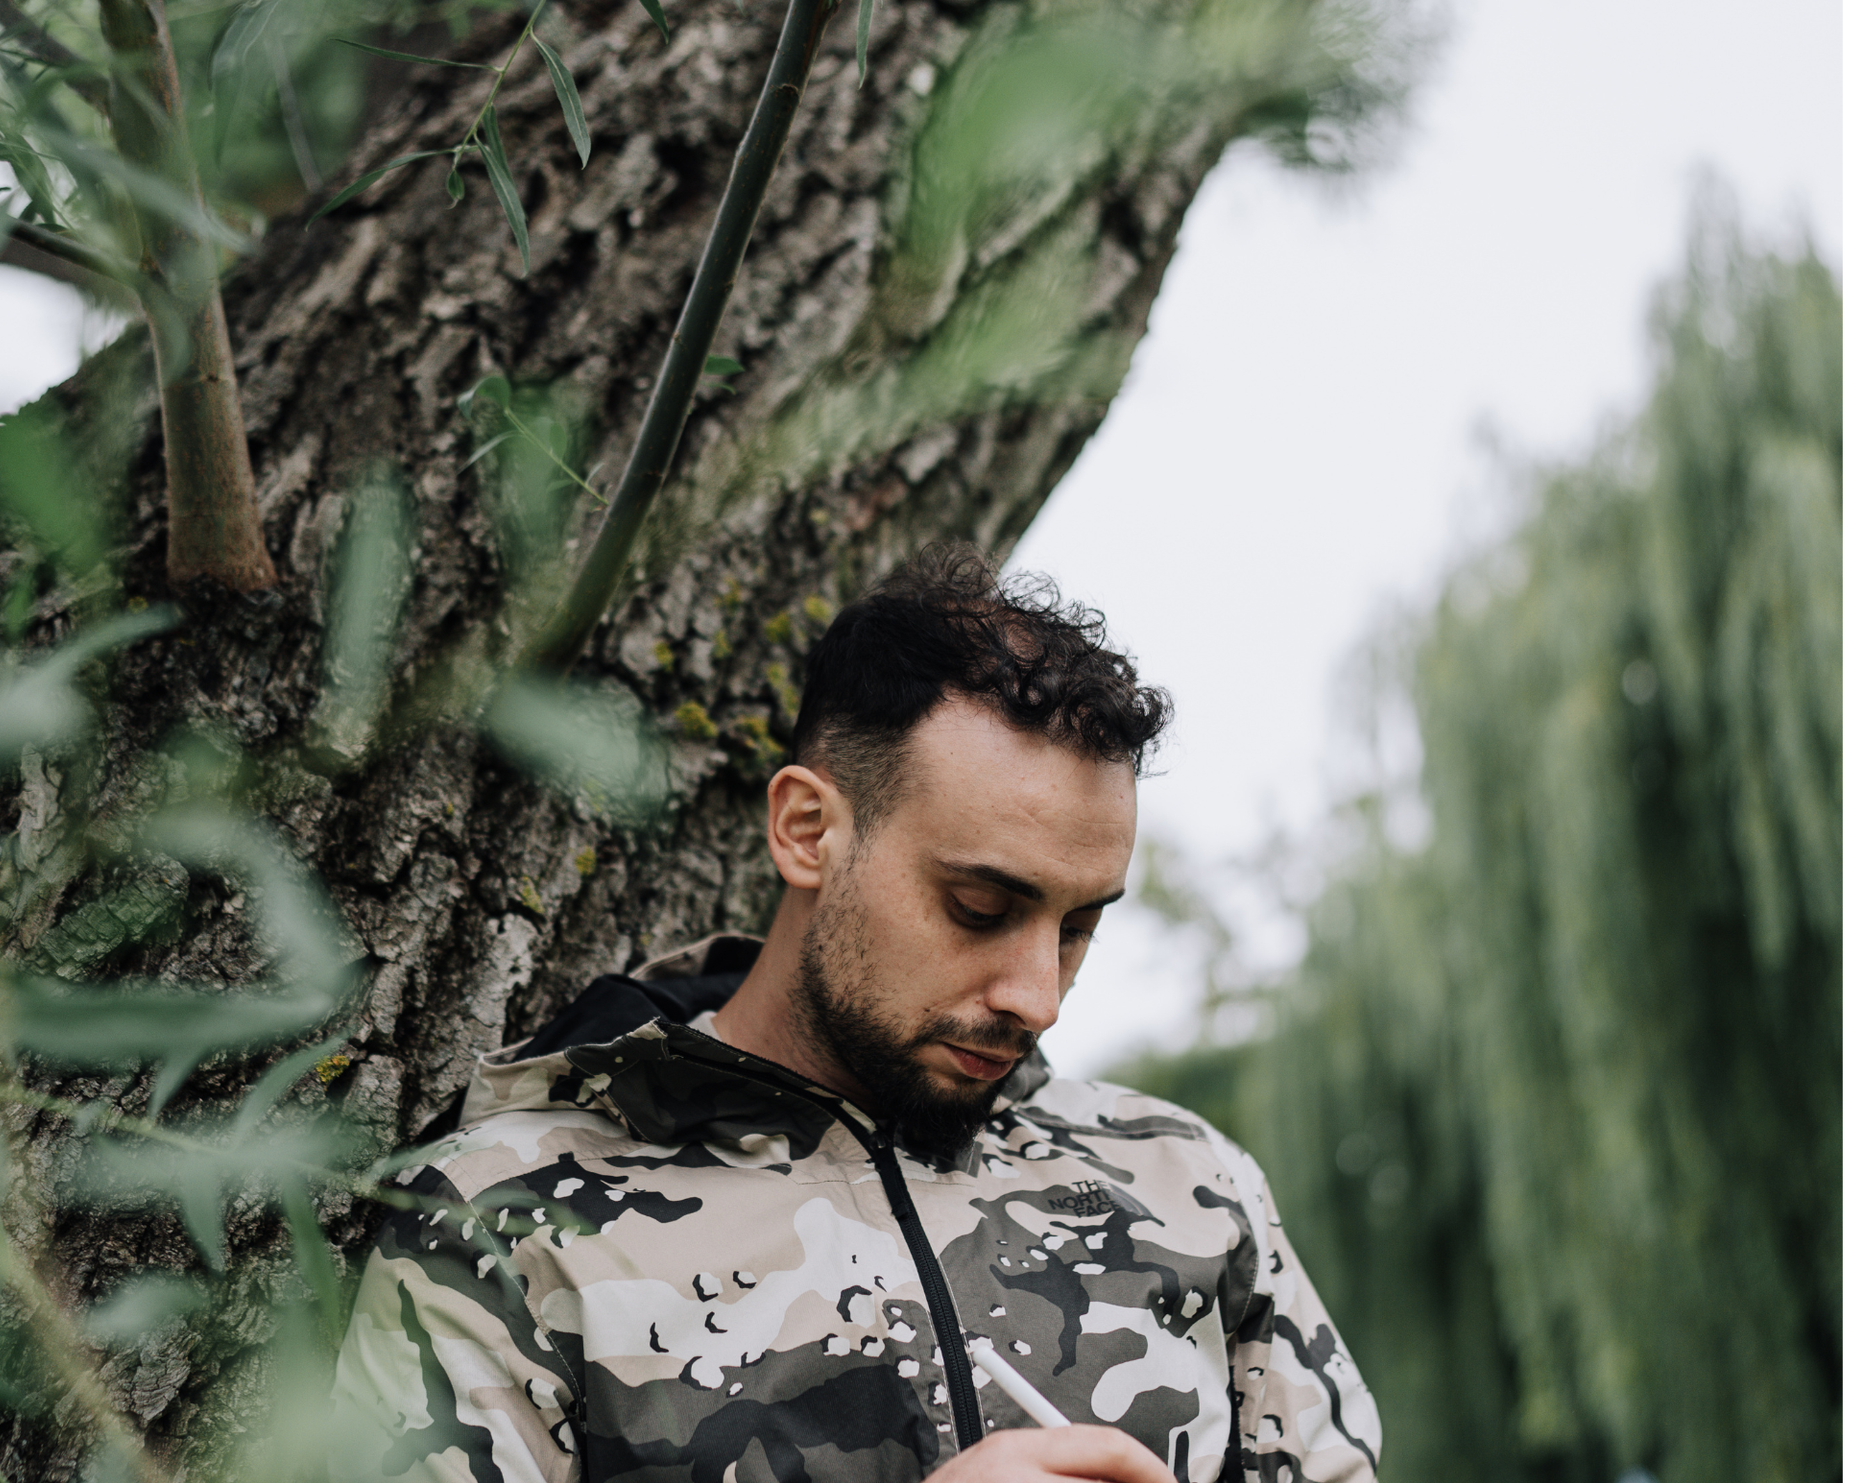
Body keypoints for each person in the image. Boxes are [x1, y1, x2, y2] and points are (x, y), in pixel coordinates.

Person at [330, 544, 1381, 1483]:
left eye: (1077, 926)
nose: (1040, 997)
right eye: (981, 906)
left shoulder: (1188, 1182)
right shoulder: (503, 1228)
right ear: (805, 829)